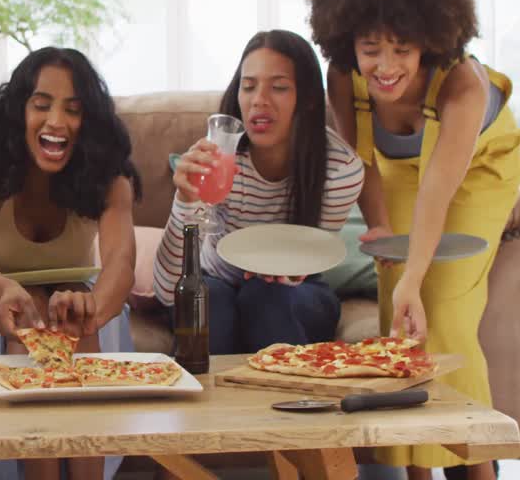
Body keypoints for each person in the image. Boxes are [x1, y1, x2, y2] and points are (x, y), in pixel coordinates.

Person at [307, 0, 520, 480]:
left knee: (444, 309)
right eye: (371, 47)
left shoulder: (462, 89)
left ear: (428, 40)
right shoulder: (343, 77)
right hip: (404, 174)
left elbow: (438, 191)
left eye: (402, 49)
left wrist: (415, 274)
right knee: (395, 314)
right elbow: (366, 160)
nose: (385, 66)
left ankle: (477, 468)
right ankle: (416, 472)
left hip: (477, 172)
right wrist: (380, 229)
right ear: (348, 41)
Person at [0, 47, 141, 480]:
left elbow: (120, 263)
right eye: (41, 105)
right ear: (19, 110)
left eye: (73, 111)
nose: (56, 121)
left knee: (72, 314)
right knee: (33, 318)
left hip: (89, 302)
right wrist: (9, 293)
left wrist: (92, 313)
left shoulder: (110, 176)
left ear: (87, 123)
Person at [154, 30, 363, 353]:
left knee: (265, 297)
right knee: (213, 302)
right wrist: (184, 202)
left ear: (308, 99)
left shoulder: (339, 169)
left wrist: (290, 273)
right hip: (216, 283)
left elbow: (315, 257)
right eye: (248, 86)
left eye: (278, 87)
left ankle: (288, 398)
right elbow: (167, 290)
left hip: (297, 291)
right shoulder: (217, 160)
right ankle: (216, 402)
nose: (258, 100)